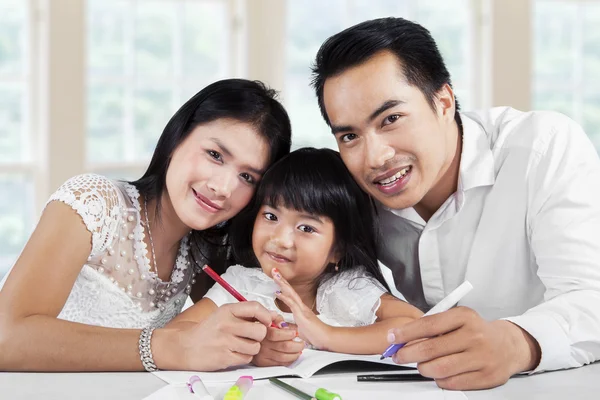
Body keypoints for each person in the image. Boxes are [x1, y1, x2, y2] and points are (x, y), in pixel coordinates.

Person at [310, 17, 600, 390]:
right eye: (349, 135)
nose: (375, 158)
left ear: (443, 101)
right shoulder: (350, 195)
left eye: (391, 119)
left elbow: (592, 297)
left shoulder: (541, 147)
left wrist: (515, 343)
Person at [0, 79, 292, 372]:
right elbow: (6, 337)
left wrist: (252, 345)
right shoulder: (93, 204)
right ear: (176, 139)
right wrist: (164, 346)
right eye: (215, 155)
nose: (223, 188)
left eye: (248, 178)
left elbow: (211, 336)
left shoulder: (204, 249)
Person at [167, 148, 423, 366]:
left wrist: (326, 335)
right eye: (271, 217)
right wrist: (251, 352)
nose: (280, 239)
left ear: (338, 249)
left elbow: (413, 325)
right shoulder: (244, 284)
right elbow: (173, 334)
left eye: (307, 228)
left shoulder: (346, 286)